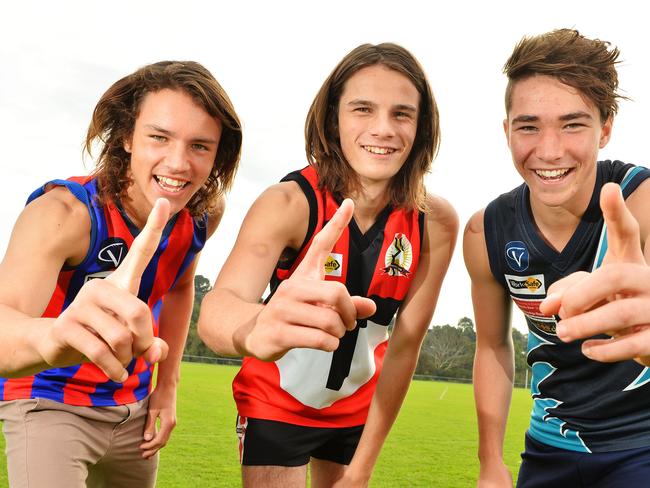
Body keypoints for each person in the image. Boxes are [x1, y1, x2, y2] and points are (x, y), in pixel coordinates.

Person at [198, 43, 458, 487]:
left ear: (421, 127)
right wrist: (258, 325)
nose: (383, 129)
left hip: (357, 412)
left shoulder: (434, 221)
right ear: (333, 117)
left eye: (401, 114)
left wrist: (363, 467)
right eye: (362, 109)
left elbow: (404, 348)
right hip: (276, 404)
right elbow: (218, 309)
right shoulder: (287, 203)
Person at [0, 61, 242, 487]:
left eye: (200, 146)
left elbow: (180, 286)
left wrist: (166, 390)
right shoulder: (65, 213)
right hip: (49, 400)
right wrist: (53, 336)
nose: (179, 162)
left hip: (134, 409)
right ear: (127, 137)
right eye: (159, 137)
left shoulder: (202, 214)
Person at [464, 28, 650, 487]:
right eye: (528, 126)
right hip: (547, 448)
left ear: (605, 128)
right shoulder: (484, 231)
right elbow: (491, 346)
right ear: (506, 131)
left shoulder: (643, 203)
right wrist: (491, 461)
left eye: (573, 124)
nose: (549, 150)